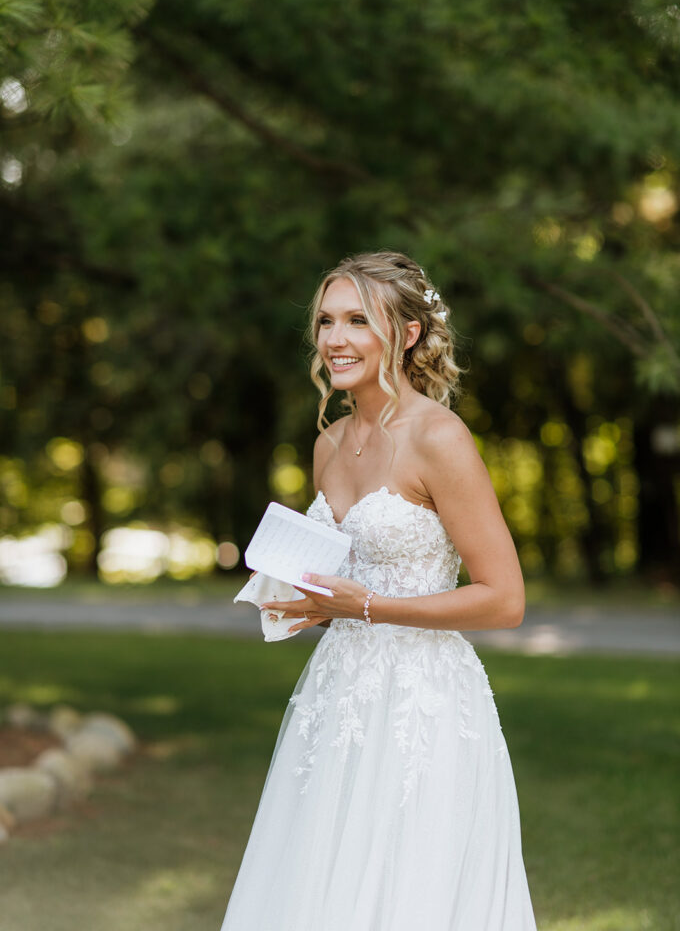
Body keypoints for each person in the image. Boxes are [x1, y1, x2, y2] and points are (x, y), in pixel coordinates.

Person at [220, 251, 537, 930]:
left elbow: (504, 600)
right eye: (327, 321)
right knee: (320, 882)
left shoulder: (439, 438)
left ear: (409, 334)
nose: (335, 339)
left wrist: (360, 606)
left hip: (422, 704)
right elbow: (345, 576)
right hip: (337, 696)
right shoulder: (330, 444)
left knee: (406, 889)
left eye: (358, 321)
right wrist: (310, 604)